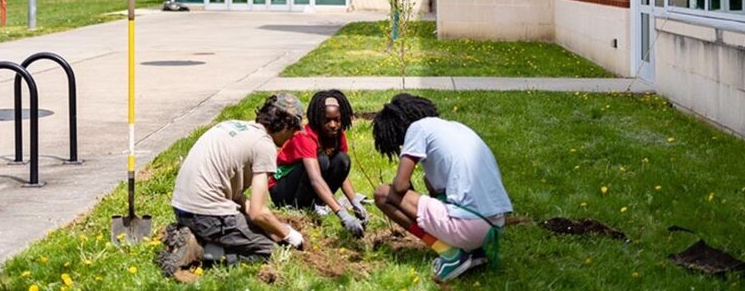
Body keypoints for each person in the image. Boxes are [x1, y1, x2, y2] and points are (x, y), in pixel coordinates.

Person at [371, 94, 512, 283]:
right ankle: (473, 251)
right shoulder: (457, 127)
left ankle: (449, 253)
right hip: (494, 225)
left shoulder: (417, 128)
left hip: (468, 227)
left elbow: (400, 186)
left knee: (382, 193)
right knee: (432, 186)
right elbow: (441, 191)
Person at [161, 93, 306, 272]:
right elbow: (257, 212)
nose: (293, 137)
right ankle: (199, 249)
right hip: (207, 214)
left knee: (259, 231)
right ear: (286, 125)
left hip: (181, 207)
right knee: (268, 250)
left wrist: (270, 228)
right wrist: (288, 234)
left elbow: (235, 194)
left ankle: (192, 235)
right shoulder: (264, 145)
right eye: (294, 131)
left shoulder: (233, 125)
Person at [269, 90, 368, 238]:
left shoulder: (337, 135)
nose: (333, 125)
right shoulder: (305, 136)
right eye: (327, 120)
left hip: (307, 179)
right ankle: (299, 207)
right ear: (318, 119)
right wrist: (342, 214)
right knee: (321, 161)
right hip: (282, 188)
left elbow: (342, 173)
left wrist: (354, 202)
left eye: (337, 120)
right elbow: (315, 178)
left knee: (342, 160)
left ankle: (317, 205)